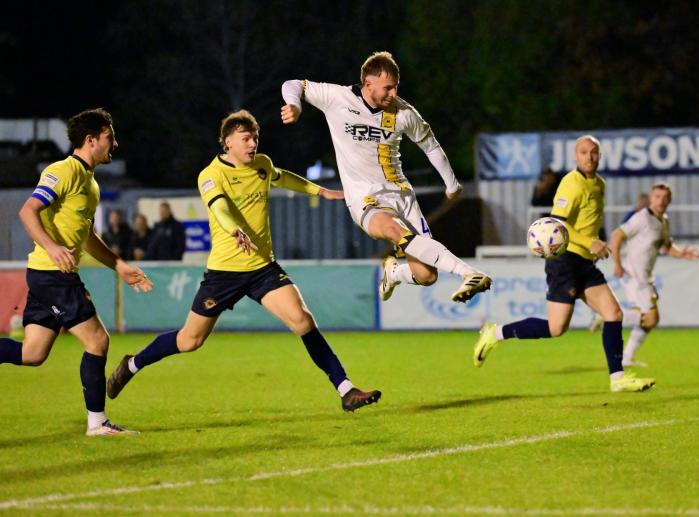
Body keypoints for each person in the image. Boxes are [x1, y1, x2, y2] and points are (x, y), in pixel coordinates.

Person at [106, 110, 381, 412]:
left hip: (262, 268)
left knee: (302, 320)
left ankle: (346, 390)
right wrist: (234, 229)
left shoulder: (261, 164)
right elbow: (220, 208)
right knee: (189, 341)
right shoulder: (211, 174)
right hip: (224, 273)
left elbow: (282, 176)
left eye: (255, 138)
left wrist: (320, 191)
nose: (253, 144)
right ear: (227, 142)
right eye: (246, 139)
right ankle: (132, 365)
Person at [280, 51, 491, 304]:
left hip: (401, 195)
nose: (393, 94)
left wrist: (452, 184)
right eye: (388, 88)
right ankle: (469, 272)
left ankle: (394, 272)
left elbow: (431, 146)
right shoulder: (338, 98)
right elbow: (293, 84)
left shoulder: (404, 113)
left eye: (396, 88)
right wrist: (295, 104)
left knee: (426, 275)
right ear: (368, 84)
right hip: (364, 197)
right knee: (393, 230)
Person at [0, 108, 153, 435]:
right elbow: (28, 212)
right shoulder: (64, 170)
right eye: (110, 137)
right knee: (98, 341)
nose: (115, 143)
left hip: (48, 275)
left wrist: (119, 265)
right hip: (52, 275)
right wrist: (54, 248)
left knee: (32, 352)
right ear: (91, 139)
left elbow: (86, 237)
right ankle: (97, 423)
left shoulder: (90, 183)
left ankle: (97, 422)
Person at [472, 135, 655, 392]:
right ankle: (495, 333)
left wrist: (594, 245)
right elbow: (557, 220)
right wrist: (589, 242)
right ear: (575, 157)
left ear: (599, 156)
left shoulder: (599, 184)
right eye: (583, 152)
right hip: (565, 261)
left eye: (593, 152)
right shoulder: (571, 183)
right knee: (556, 328)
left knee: (613, 314)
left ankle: (618, 379)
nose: (589, 157)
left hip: (585, 263)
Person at [605, 183, 699, 367]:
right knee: (652, 318)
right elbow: (616, 235)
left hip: (644, 277)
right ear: (651, 197)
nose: (660, 201)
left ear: (669, 200)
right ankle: (609, 316)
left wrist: (681, 253)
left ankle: (627, 356)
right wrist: (616, 263)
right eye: (657, 196)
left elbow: (665, 246)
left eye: (665, 198)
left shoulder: (663, 220)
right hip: (634, 276)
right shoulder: (641, 218)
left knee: (650, 321)